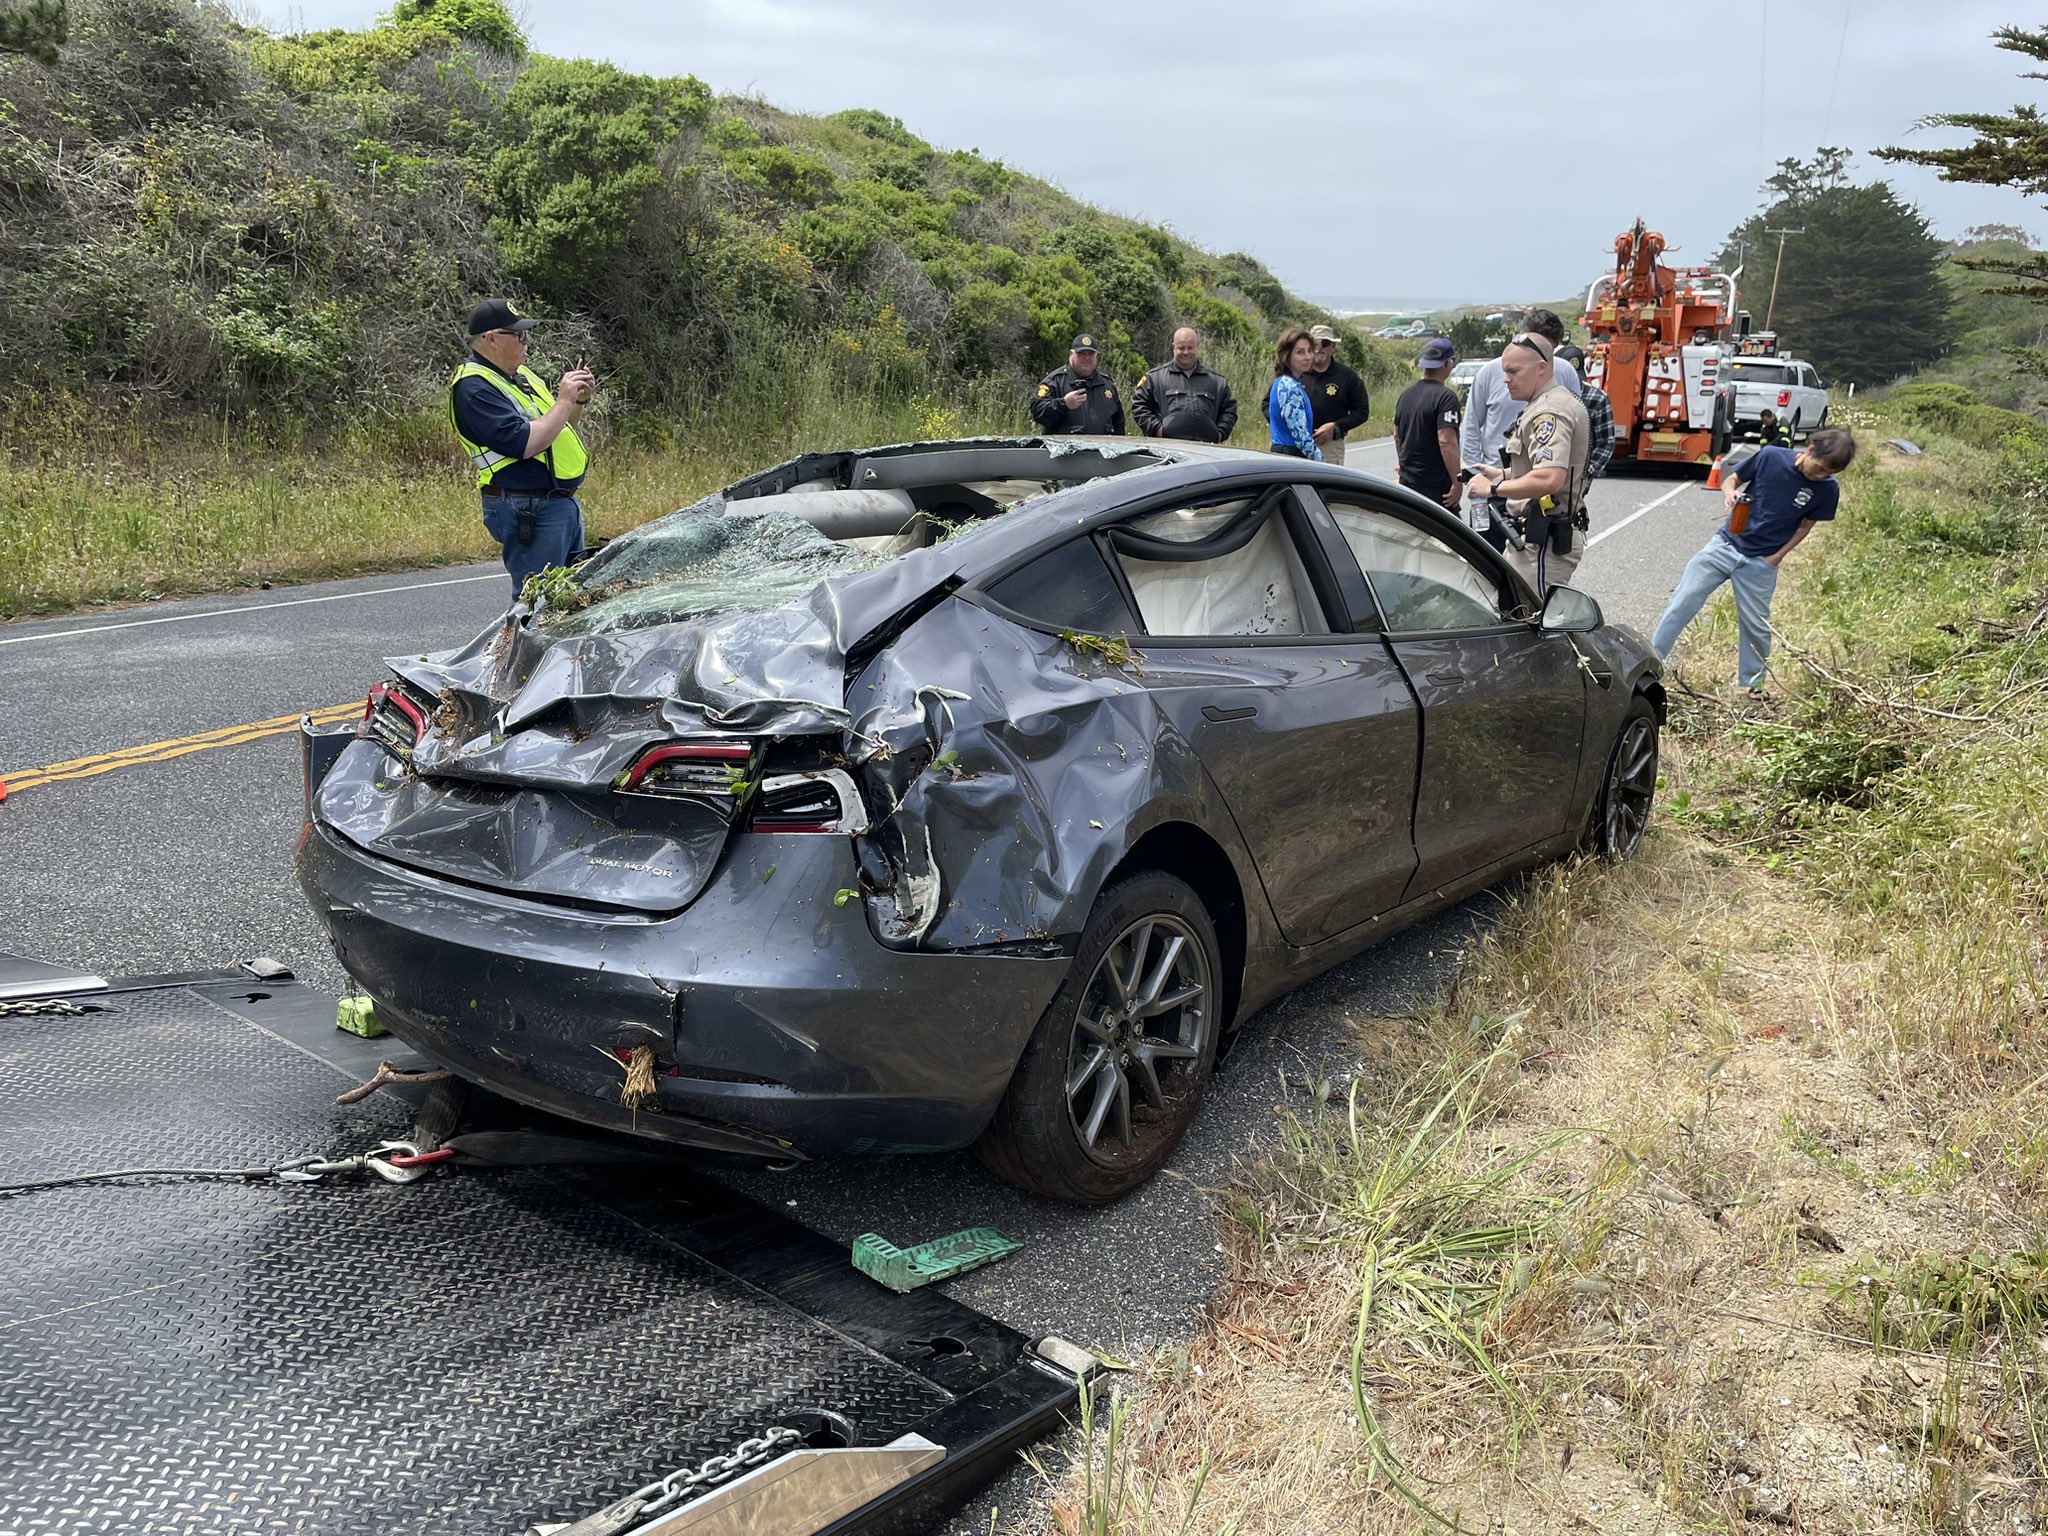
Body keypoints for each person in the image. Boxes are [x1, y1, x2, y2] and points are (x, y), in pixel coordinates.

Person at [1650, 429, 1858, 693]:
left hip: (1761, 562)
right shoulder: (1771, 457)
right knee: (1683, 600)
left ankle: (1753, 686)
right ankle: (1652, 663)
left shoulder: (1827, 489)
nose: (1819, 476)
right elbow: (1732, 478)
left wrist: (1777, 557)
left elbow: (1805, 527)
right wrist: (1730, 493)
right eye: (1819, 468)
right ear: (1809, 450)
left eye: (1827, 473)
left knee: (1756, 626)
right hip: (1725, 545)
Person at [448, 298, 596, 593]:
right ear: (491, 338)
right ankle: (517, 642)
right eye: (518, 334)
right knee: (537, 604)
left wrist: (576, 400)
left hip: (556, 502)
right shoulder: (473, 387)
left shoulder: (521, 375)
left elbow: (558, 428)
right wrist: (564, 400)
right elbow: (526, 443)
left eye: (526, 333)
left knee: (570, 599)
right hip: (527, 507)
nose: (526, 340)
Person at [1464, 332, 1589, 595]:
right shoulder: (1548, 402)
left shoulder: (1549, 412)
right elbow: (1541, 468)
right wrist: (1502, 474)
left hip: (1543, 543)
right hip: (1535, 539)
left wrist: (1493, 490)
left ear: (1541, 368)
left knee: (1535, 622)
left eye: (1514, 371)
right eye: (1504, 371)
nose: (1506, 379)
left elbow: (1549, 478)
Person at [1459, 307, 1583, 473]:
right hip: (1496, 479)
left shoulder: (1566, 371)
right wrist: (1475, 476)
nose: (1508, 379)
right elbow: (1470, 426)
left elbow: (1578, 429)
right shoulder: (1488, 373)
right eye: (1534, 348)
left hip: (1547, 480)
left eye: (1548, 350)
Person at [1132, 327, 1239, 443]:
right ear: (1174, 347)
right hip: (1168, 449)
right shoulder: (1155, 378)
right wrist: (1157, 430)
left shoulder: (1216, 381)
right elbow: (1139, 406)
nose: (1186, 352)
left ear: (1196, 347)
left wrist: (1219, 434)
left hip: (1205, 450)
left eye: (1190, 348)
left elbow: (1229, 410)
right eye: (1181, 348)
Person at [1393, 338, 1463, 511]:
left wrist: (1404, 465)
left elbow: (1397, 435)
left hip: (1408, 483)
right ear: (1447, 363)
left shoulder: (1406, 395)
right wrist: (1457, 481)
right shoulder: (1446, 398)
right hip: (1436, 486)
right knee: (1448, 536)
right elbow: (1446, 441)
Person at [1030, 333, 1126, 435]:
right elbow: (1038, 412)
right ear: (1071, 354)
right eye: (1081, 353)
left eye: (1091, 354)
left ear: (1096, 356)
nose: (1086, 358)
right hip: (1066, 450)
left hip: (1103, 449)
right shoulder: (1055, 382)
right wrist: (1063, 404)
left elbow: (1119, 423)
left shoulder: (1107, 385)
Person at [1305, 323, 1370, 464]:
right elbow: (1268, 404)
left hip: (1329, 447)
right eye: (1315, 343)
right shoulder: (1296, 373)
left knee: (1327, 486)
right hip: (1295, 446)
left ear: (1333, 347)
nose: (1320, 347)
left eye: (1325, 343)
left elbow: (1362, 411)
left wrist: (1336, 427)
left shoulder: (1347, 376)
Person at [1265, 329, 1324, 460]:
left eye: (1310, 350)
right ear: (1287, 356)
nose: (1308, 357)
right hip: (1290, 455)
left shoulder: (1285, 382)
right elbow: (1301, 437)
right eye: (1300, 352)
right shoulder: (1288, 386)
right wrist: (1322, 462)